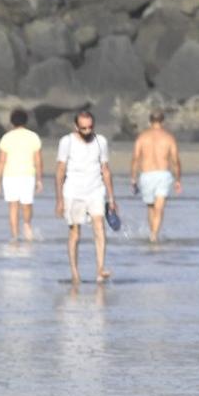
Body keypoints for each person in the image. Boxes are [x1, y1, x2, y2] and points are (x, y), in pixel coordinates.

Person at [54, 109, 115, 283]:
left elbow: (105, 169)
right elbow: (60, 171)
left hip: (96, 190)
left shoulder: (100, 141)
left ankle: (100, 269)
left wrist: (111, 199)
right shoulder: (66, 142)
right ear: (76, 127)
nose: (87, 131)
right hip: (73, 192)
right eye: (83, 128)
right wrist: (59, 200)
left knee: (99, 226)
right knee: (75, 233)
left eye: (90, 127)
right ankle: (75, 273)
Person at [129, 108, 182, 242]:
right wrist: (178, 180)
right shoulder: (168, 138)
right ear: (163, 121)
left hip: (146, 174)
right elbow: (175, 160)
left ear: (150, 121)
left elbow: (135, 158)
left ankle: (153, 234)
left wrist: (133, 178)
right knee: (159, 207)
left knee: (151, 207)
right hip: (163, 174)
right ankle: (154, 234)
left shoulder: (142, 137)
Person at [0, 108, 42, 243]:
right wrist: (39, 180)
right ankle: (27, 225)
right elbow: (38, 161)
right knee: (27, 204)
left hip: (10, 176)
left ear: (11, 121)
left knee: (13, 206)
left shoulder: (7, 137)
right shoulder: (33, 137)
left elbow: (1, 161)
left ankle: (14, 236)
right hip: (27, 175)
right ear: (26, 121)